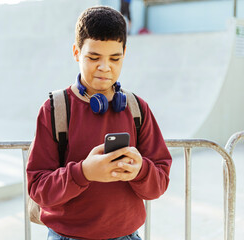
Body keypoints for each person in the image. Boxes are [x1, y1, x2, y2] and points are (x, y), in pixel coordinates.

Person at [26, 6, 172, 240]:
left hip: (127, 235)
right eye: (94, 57)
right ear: (76, 52)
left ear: (125, 53)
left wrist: (140, 170)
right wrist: (83, 172)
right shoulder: (55, 110)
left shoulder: (138, 109)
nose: (105, 67)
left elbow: (160, 181)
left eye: (115, 58)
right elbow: (37, 188)